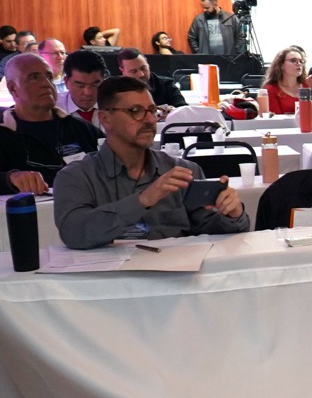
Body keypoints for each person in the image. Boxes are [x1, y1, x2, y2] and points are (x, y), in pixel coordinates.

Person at [53, 76, 248, 249]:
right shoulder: (77, 176)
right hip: (110, 277)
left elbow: (209, 232)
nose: (149, 120)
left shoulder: (183, 171)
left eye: (152, 110)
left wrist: (232, 215)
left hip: (179, 272)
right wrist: (142, 200)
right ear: (106, 119)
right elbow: (73, 233)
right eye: (135, 111)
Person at [0, 53, 103, 194]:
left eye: (49, 77)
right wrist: (9, 179)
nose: (46, 84)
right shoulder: (4, 133)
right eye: (34, 77)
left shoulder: (83, 130)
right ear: (13, 88)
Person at [264, 47, 312, 123]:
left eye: (301, 61)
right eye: (293, 60)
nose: (299, 63)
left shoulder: (309, 85)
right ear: (281, 65)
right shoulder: (271, 89)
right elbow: (275, 120)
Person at [117, 47, 188, 110]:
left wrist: (172, 111)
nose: (141, 74)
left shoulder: (166, 85)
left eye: (143, 68)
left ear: (147, 62)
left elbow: (184, 110)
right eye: (134, 71)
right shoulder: (116, 91)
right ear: (122, 71)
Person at [56, 49, 108, 128]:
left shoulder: (116, 106)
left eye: (95, 84)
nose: (88, 93)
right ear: (66, 82)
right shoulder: (52, 109)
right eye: (80, 85)